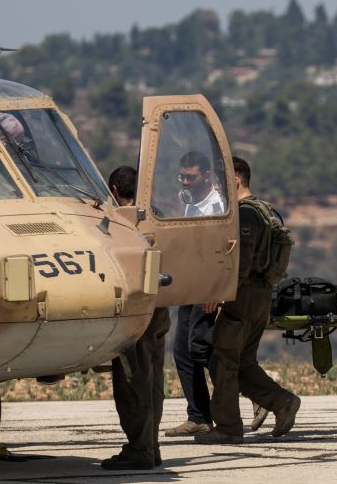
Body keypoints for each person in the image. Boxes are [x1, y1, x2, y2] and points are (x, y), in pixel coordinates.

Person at [194, 157, 300, 445]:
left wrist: (219, 294)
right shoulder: (266, 211)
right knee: (243, 363)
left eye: (220, 182)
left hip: (243, 296)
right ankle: (282, 403)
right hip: (260, 296)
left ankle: (228, 427)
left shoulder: (246, 214)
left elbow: (240, 261)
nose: (217, 188)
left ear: (236, 181)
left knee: (222, 361)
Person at [104, 165, 172, 470]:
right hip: (160, 309)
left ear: (115, 191)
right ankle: (151, 445)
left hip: (135, 313)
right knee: (153, 378)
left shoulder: (120, 222)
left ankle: (141, 448)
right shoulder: (157, 216)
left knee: (133, 382)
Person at [166, 150, 224, 437]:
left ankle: (250, 396)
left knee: (203, 349)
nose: (186, 182)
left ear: (206, 176)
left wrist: (215, 290)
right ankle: (199, 415)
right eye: (183, 177)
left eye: (191, 177)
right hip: (191, 286)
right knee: (183, 351)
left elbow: (220, 252)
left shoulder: (216, 207)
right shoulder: (191, 205)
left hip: (207, 289)